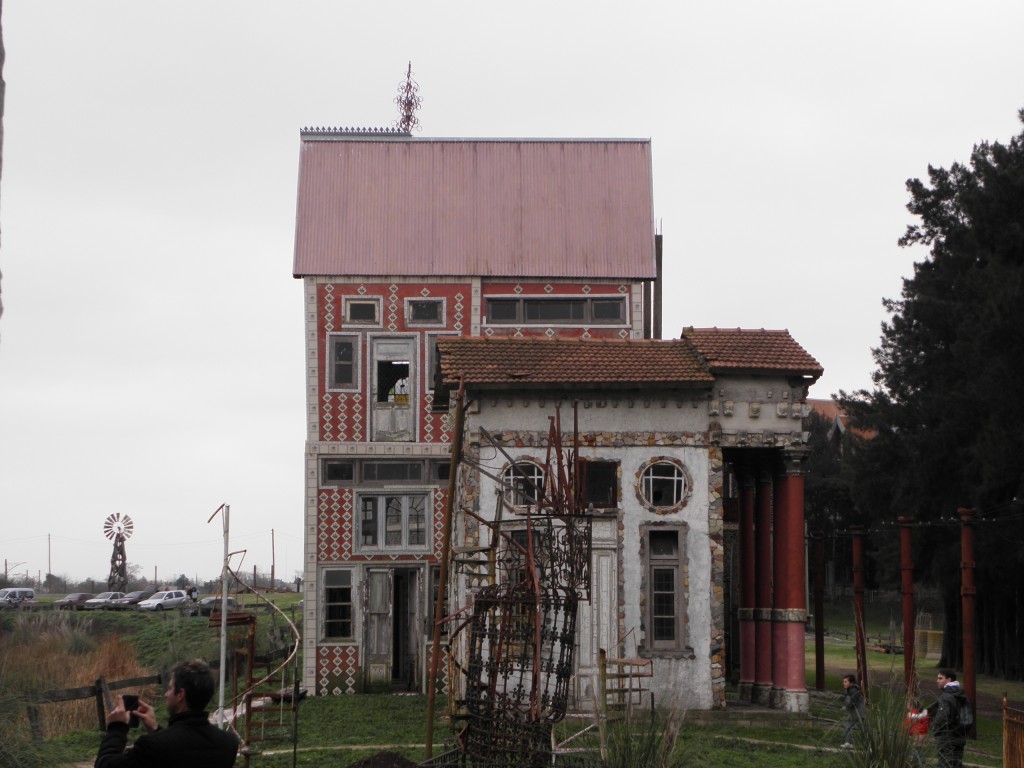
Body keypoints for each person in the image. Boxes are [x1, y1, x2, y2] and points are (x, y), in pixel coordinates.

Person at [95, 659, 239, 768]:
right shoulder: (228, 744)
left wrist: (117, 728)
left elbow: (106, 765)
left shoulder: (152, 746)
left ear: (180, 694)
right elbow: (185, 750)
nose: (165, 694)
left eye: (170, 688)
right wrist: (157, 730)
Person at [932, 668, 968, 768]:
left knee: (945, 765)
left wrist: (936, 730)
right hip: (960, 737)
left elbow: (942, 718)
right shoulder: (961, 694)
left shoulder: (946, 696)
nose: (937, 681)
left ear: (949, 680)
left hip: (947, 738)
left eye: (940, 678)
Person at [840, 673, 867, 748]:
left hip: (859, 713)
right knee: (848, 726)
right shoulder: (849, 690)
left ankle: (867, 744)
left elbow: (852, 702)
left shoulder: (854, 690)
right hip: (854, 713)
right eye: (843, 682)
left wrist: (846, 708)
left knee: (863, 728)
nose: (844, 683)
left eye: (845, 682)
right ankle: (848, 743)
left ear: (851, 683)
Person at [904, 697, 929, 766]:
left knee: (913, 752)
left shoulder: (911, 714)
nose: (906, 704)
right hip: (923, 736)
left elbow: (906, 727)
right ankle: (922, 764)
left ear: (910, 705)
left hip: (914, 736)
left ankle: (915, 765)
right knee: (919, 751)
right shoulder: (923, 714)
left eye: (907, 703)